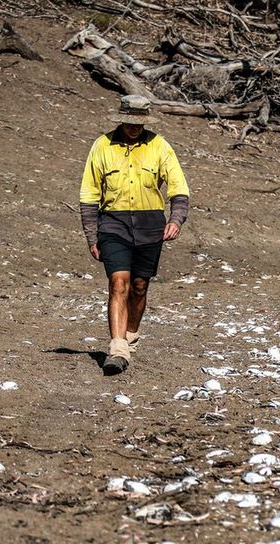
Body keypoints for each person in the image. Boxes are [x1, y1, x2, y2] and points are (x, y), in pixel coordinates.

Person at [79, 95, 190, 375]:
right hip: (112, 223)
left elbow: (178, 186)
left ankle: (130, 336)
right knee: (119, 282)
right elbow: (89, 193)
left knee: (139, 286)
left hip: (150, 223)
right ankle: (117, 348)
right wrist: (92, 235)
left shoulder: (159, 145)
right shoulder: (102, 146)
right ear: (122, 119)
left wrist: (176, 219)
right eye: (131, 122)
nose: (135, 128)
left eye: (141, 123)